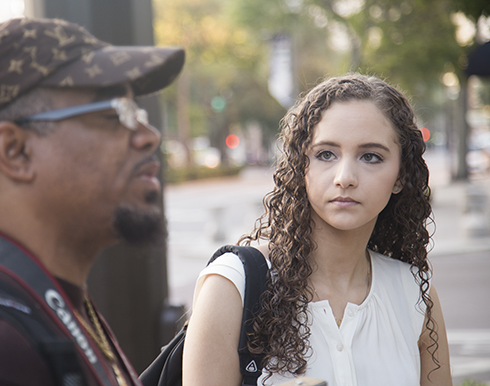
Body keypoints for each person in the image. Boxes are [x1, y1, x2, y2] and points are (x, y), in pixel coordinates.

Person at [0, 17, 184, 386]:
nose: (149, 136)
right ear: (15, 151)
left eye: (139, 113)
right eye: (114, 114)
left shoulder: (51, 303)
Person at [182, 74, 452, 386]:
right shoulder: (232, 285)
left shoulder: (415, 293)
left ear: (400, 176)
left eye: (371, 156)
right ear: (301, 166)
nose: (345, 177)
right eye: (326, 154)